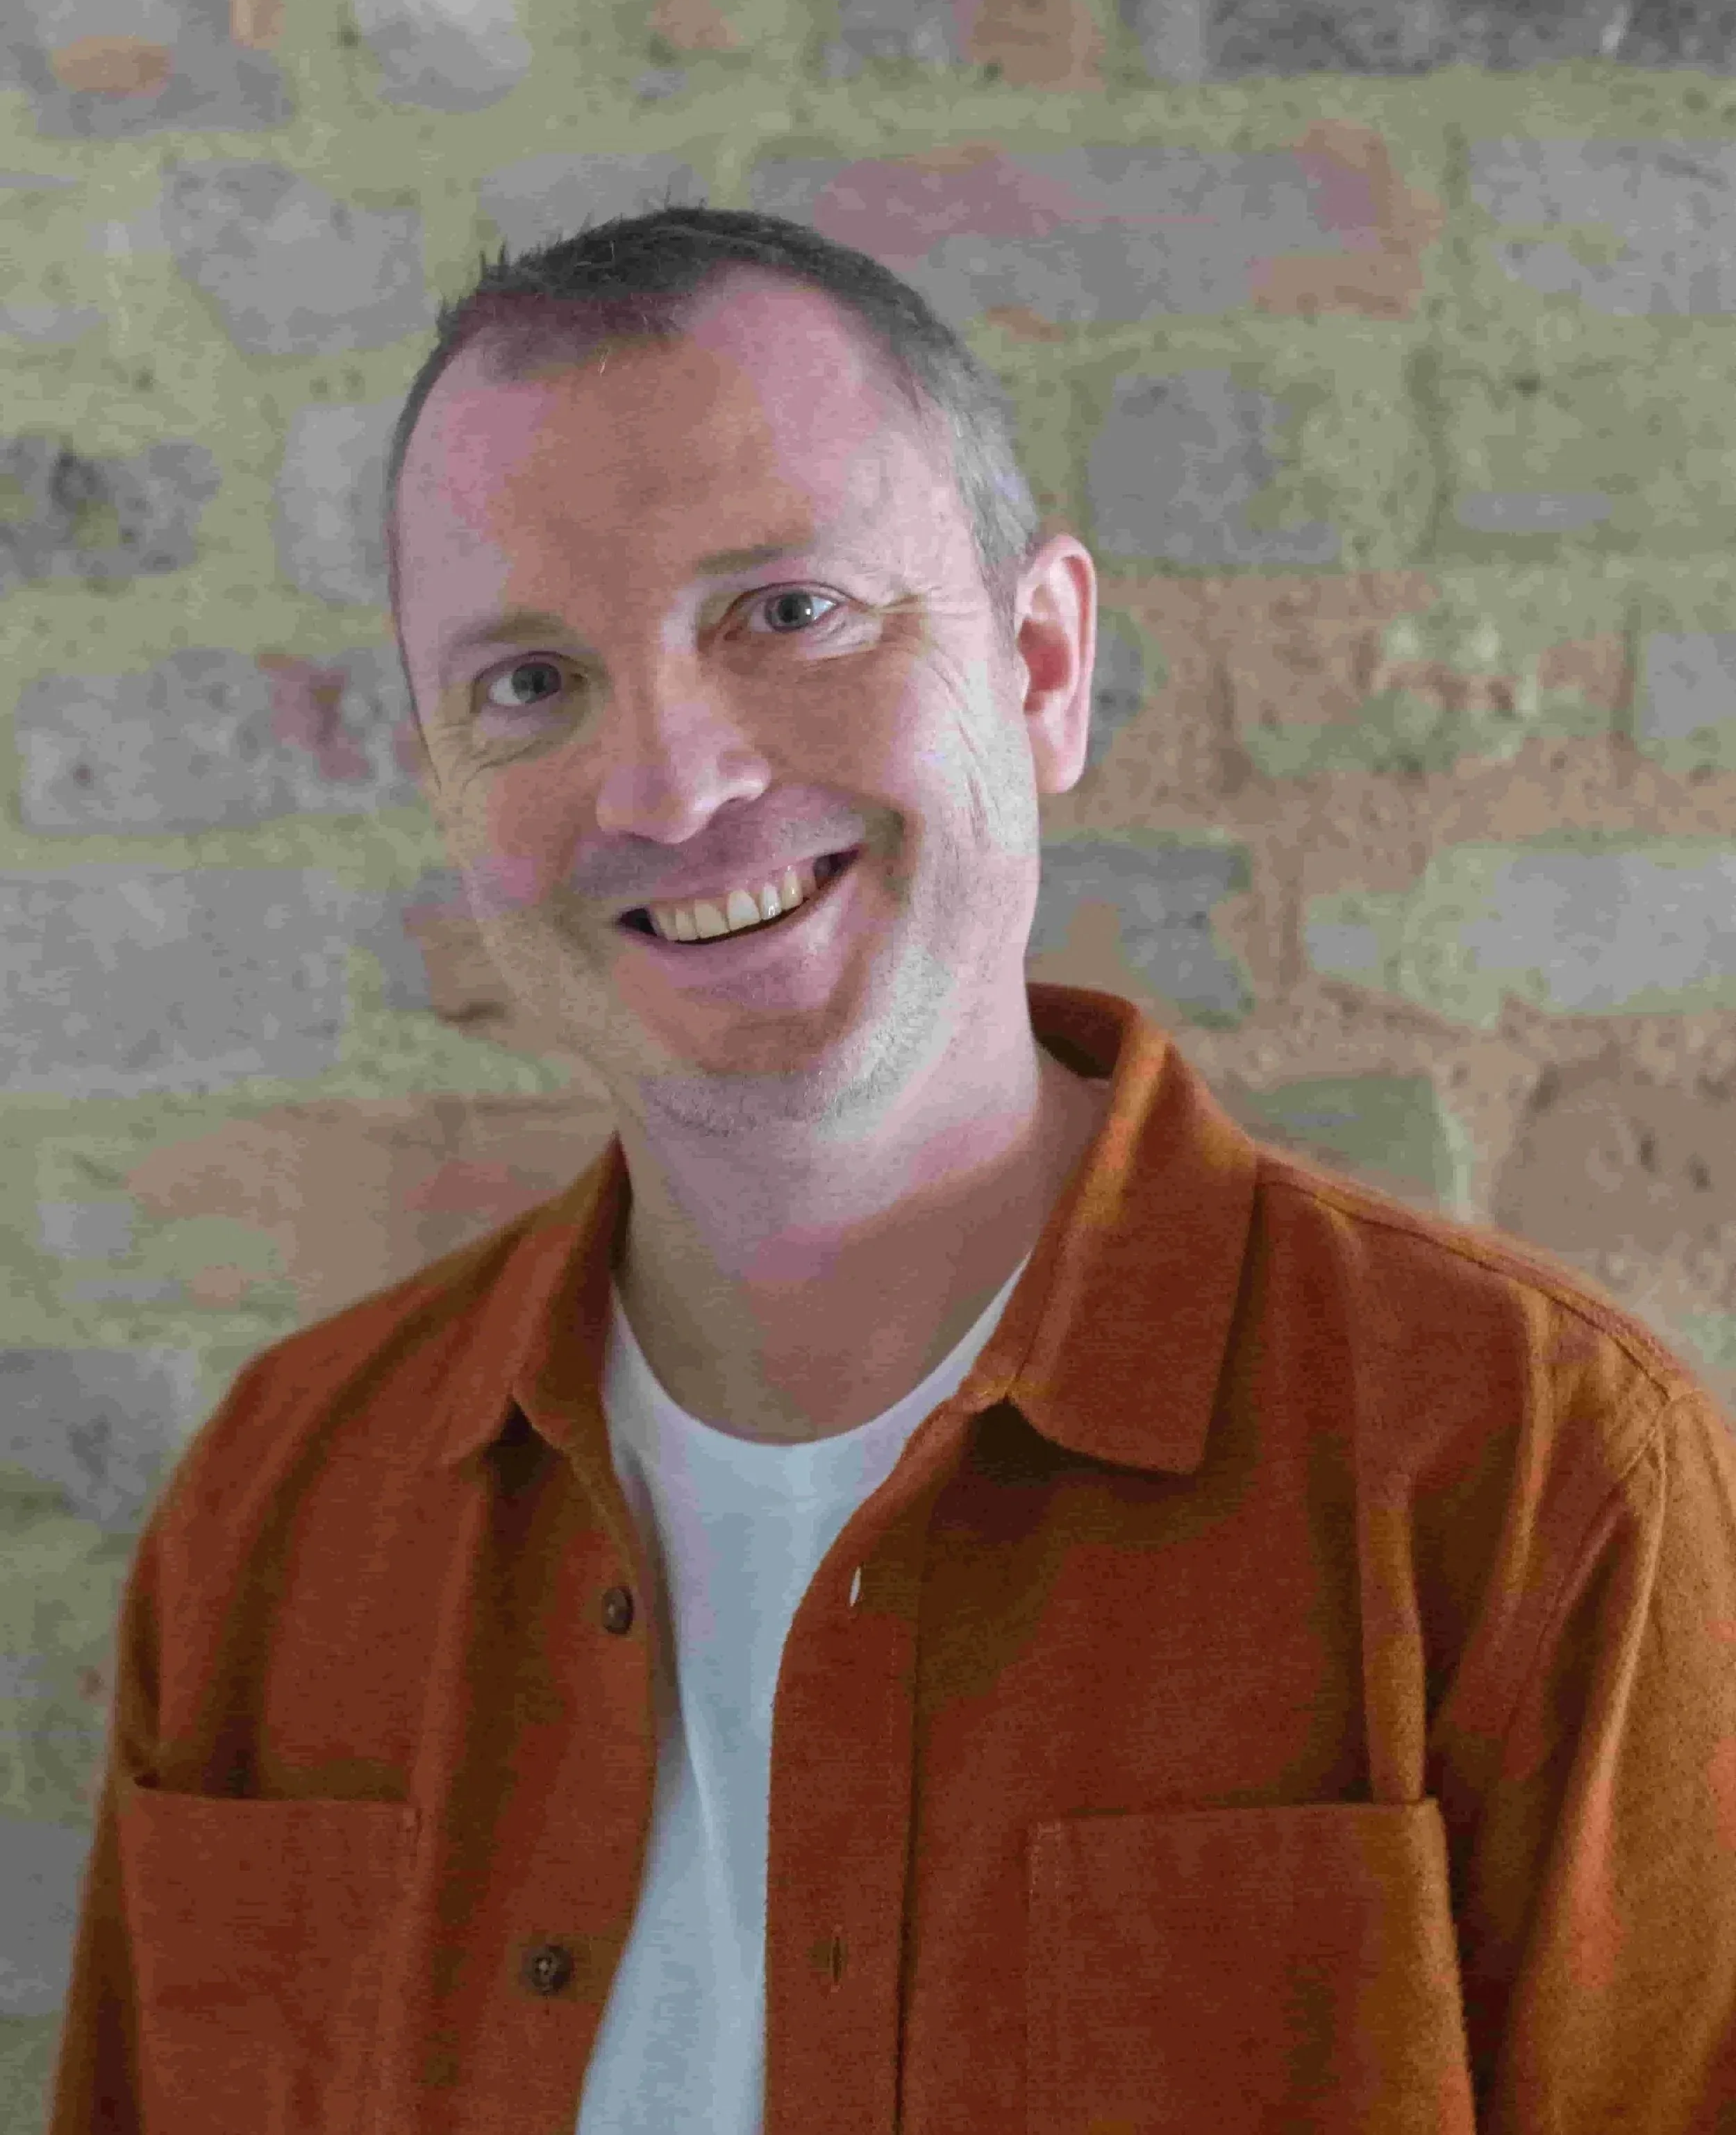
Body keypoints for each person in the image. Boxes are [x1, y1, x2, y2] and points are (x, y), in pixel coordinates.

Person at [51, 208, 1736, 2134]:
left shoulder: (1527, 1478)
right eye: (529, 681)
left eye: (784, 613)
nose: (671, 790)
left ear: (1039, 665)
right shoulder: (276, 1513)